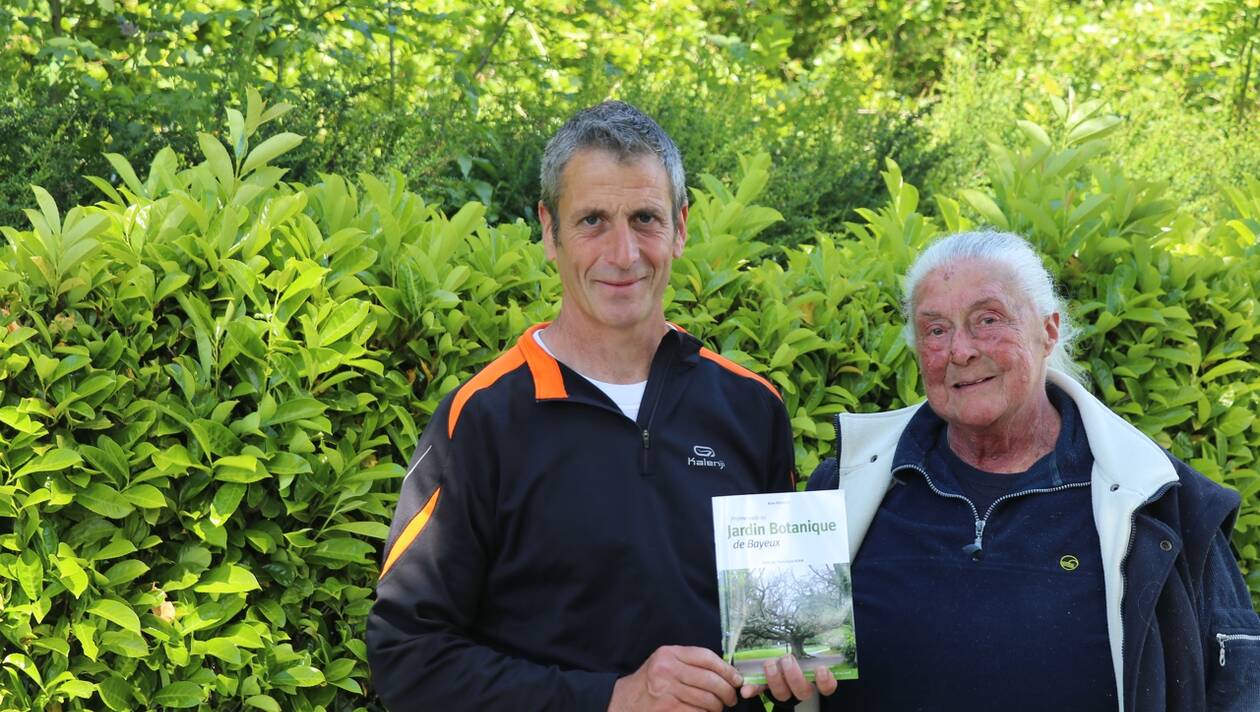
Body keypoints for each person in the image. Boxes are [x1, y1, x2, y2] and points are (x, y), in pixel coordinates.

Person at [367, 100, 805, 711]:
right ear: (549, 231)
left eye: (645, 218)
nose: (623, 253)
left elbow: (781, 637)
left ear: (680, 227)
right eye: (593, 220)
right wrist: (610, 699)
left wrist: (794, 663)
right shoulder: (483, 419)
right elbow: (407, 653)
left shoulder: (751, 409)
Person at [790, 230, 1260, 711]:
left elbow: (1238, 695)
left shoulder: (1163, 505)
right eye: (935, 329)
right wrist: (781, 676)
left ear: (1048, 331)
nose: (960, 350)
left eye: (988, 320)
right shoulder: (845, 490)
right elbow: (791, 667)